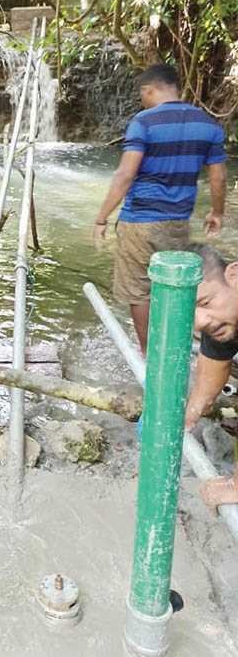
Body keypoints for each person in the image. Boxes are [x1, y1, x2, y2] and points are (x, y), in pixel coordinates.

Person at [94, 63, 226, 354]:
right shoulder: (207, 124)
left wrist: (102, 217)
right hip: (179, 221)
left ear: (148, 89)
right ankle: (176, 347)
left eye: (142, 94)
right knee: (172, 284)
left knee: (139, 291)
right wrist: (216, 212)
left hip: (139, 220)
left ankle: (150, 354)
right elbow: (218, 176)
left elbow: (125, 175)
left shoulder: (144, 122)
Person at [183, 244, 238, 514]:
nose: (200, 321)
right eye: (190, 314)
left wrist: (235, 485)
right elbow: (211, 372)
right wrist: (187, 418)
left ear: (234, 275)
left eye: (205, 302)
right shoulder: (221, 320)